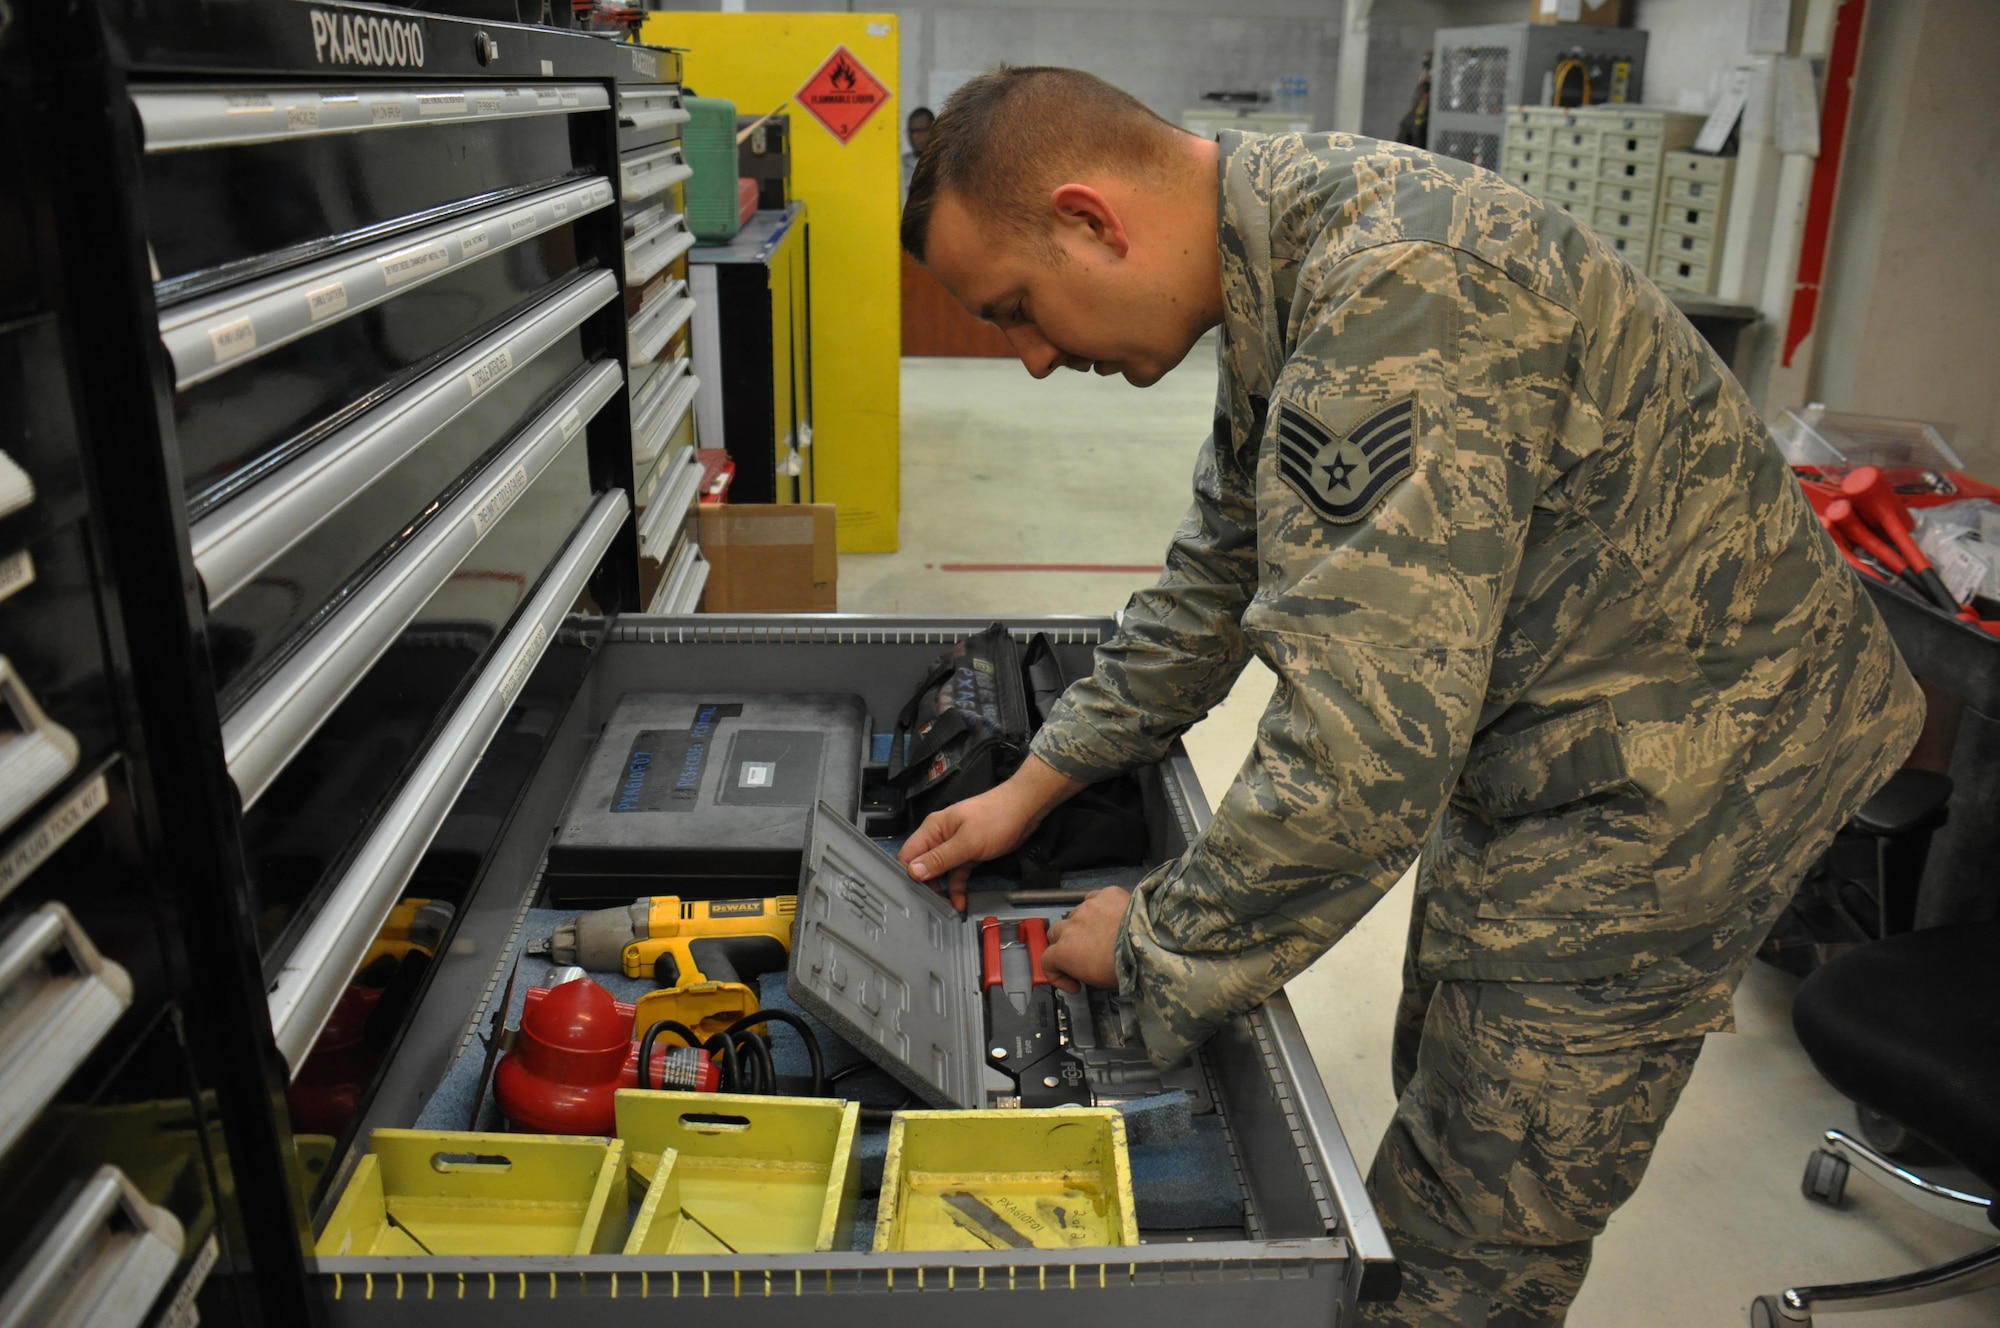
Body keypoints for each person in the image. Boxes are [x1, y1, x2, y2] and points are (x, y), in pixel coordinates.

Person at [895, 66, 1923, 1327]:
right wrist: (1034, 781)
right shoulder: (1284, 261)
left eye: (1017, 309)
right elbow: (1217, 576)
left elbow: (1359, 758)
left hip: (1686, 774)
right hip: (1563, 730)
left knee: (1468, 1232)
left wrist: (1156, 947)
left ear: (1090, 220)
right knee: (1443, 1058)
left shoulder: (1402, 293)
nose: (1035, 359)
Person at [901, 105, 935, 201]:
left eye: (920, 131)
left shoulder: (944, 163)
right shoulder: (899, 165)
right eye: (911, 131)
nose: (914, 136)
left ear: (934, 129)